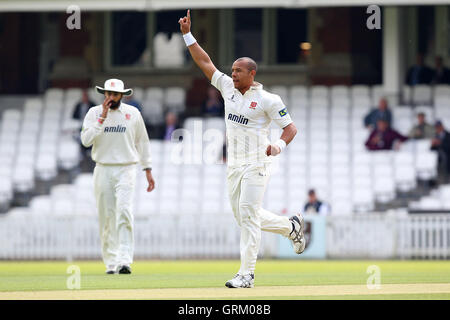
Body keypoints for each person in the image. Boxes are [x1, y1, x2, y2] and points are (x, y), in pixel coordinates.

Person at [179, 10, 305, 289]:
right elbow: (205, 62)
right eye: (232, 70)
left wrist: (278, 146)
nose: (232, 74)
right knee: (244, 216)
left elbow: (291, 128)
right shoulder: (228, 88)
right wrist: (188, 34)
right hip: (234, 164)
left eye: (238, 71)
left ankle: (246, 275)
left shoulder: (269, 100)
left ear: (252, 73)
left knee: (248, 216)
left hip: (258, 163)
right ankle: (290, 227)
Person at [80, 78, 155, 275]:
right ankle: (111, 262)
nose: (111, 98)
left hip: (126, 168)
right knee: (106, 217)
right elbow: (86, 141)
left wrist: (147, 169)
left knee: (124, 211)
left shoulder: (133, 113)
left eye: (114, 94)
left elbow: (143, 142)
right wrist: (101, 119)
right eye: (108, 94)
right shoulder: (94, 113)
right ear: (104, 94)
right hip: (103, 167)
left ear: (122, 95)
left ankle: (124, 260)